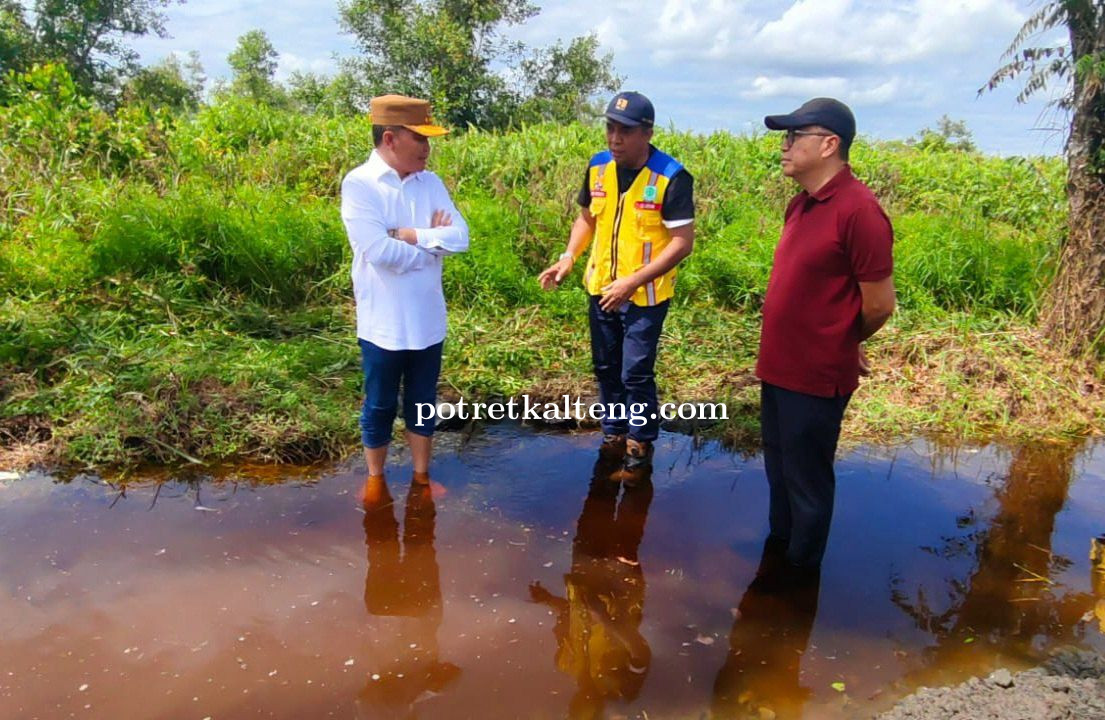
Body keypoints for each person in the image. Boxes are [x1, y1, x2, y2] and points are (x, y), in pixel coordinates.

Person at [756, 97, 896, 571]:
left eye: (796, 136)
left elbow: (879, 304)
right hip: (778, 369)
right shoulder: (801, 204)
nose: (785, 145)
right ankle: (777, 564)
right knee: (779, 473)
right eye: (785, 136)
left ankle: (798, 591)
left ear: (829, 144)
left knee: (806, 485)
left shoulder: (860, 211)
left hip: (815, 377)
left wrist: (844, 340)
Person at [539, 91, 695, 471]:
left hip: (646, 295)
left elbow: (682, 242)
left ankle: (640, 442)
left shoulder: (671, 176)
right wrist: (568, 257)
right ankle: (614, 431)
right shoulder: (597, 168)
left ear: (647, 132)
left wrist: (632, 282)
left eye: (624, 131)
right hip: (601, 288)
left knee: (635, 371)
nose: (615, 138)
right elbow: (587, 219)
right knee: (606, 366)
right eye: (610, 128)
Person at [340, 94, 469, 484]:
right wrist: (431, 247)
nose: (428, 149)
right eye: (421, 139)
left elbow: (460, 237)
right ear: (391, 139)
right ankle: (375, 480)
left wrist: (409, 235)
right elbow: (377, 251)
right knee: (379, 405)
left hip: (428, 318)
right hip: (383, 322)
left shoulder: (430, 183)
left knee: (422, 403)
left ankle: (421, 477)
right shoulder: (360, 184)